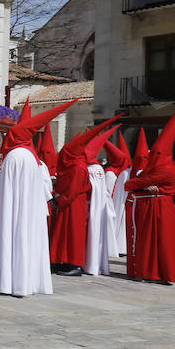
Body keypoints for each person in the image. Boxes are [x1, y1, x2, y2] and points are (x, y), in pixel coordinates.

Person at [0, 97, 76, 296]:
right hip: (29, 212)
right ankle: (26, 283)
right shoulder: (32, 158)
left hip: (13, 211)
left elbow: (0, 187)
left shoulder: (14, 157)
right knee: (27, 241)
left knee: (13, 239)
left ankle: (10, 282)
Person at [49, 116, 122, 276]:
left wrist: (58, 201)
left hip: (73, 205)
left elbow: (73, 190)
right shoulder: (77, 166)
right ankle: (64, 261)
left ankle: (74, 265)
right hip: (71, 204)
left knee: (73, 234)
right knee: (65, 234)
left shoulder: (78, 168)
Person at [125, 101, 175, 284]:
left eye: (156, 153)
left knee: (152, 240)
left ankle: (152, 272)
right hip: (163, 205)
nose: (152, 156)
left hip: (156, 206)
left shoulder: (163, 169)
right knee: (160, 240)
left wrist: (143, 185)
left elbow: (130, 184)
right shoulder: (174, 166)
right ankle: (157, 273)